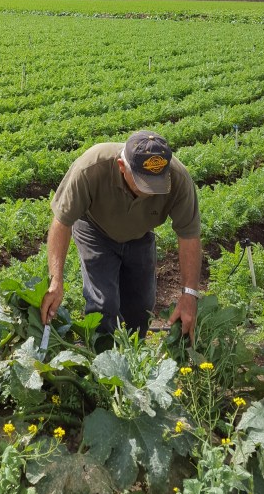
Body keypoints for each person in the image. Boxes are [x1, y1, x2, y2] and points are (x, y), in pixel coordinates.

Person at [40, 130, 201, 342]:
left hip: (140, 234)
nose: (150, 192)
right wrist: (56, 281)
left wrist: (189, 294)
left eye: (156, 184)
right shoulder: (90, 168)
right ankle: (102, 352)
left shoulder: (178, 179)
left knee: (141, 306)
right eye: (143, 183)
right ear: (122, 167)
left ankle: (133, 353)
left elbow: (189, 236)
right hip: (95, 230)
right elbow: (61, 223)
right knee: (103, 304)